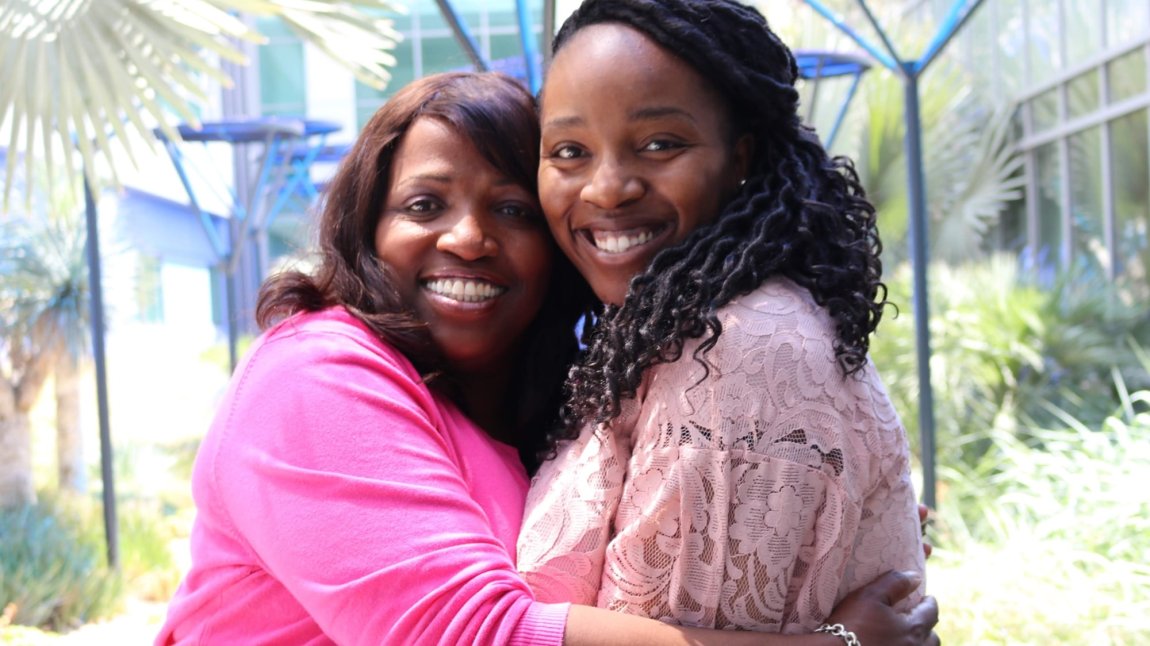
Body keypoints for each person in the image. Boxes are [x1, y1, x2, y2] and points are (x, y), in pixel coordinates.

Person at [155, 71, 932, 646]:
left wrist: (816, 510)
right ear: (367, 228)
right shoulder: (318, 374)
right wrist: (835, 645)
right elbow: (472, 634)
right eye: (425, 205)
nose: (467, 237)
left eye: (512, 209)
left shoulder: (523, 401)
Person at [518, 0, 933, 642]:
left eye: (660, 144)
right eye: (570, 150)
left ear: (740, 158)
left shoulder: (738, 353)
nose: (606, 188)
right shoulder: (662, 330)